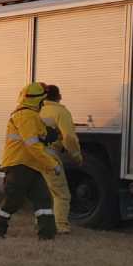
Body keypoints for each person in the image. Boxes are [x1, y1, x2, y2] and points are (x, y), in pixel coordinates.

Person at [0, 82, 61, 240]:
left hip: (31, 165)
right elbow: (33, 145)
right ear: (37, 100)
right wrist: (52, 164)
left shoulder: (31, 116)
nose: (44, 104)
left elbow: (39, 136)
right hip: (19, 166)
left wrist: (48, 134)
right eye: (43, 100)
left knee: (43, 199)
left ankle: (47, 235)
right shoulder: (26, 116)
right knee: (13, 201)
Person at [40, 84, 82, 234]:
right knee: (61, 194)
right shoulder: (61, 112)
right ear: (59, 97)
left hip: (33, 156)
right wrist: (76, 156)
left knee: (42, 193)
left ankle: (41, 223)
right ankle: (60, 226)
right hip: (50, 156)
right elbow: (69, 137)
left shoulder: (36, 111)